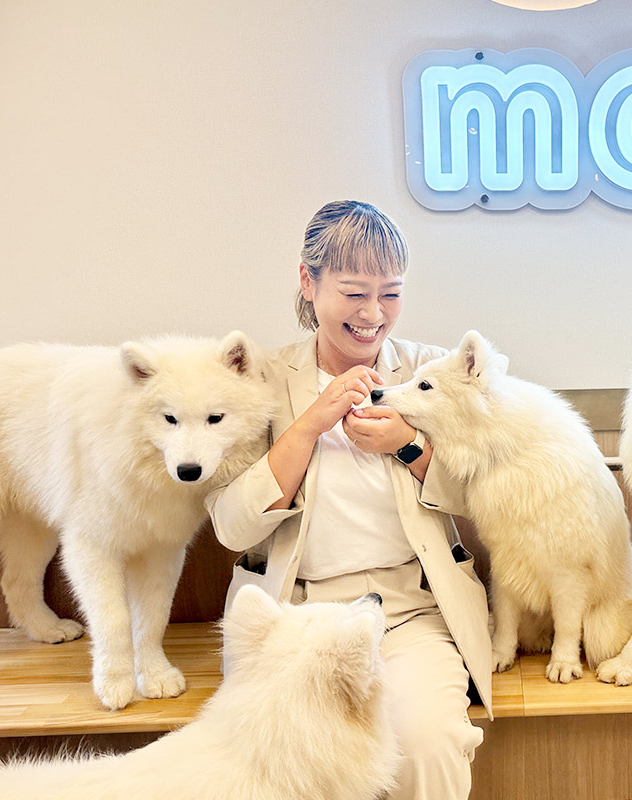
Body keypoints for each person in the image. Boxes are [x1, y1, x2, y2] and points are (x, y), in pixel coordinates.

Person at [205, 201, 490, 800]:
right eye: (354, 292)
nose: (372, 314)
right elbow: (232, 527)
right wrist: (309, 425)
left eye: (391, 293)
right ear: (308, 283)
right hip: (295, 614)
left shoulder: (429, 370)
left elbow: (484, 500)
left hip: (411, 610)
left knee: (428, 744)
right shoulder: (259, 379)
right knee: (287, 758)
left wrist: (409, 445)